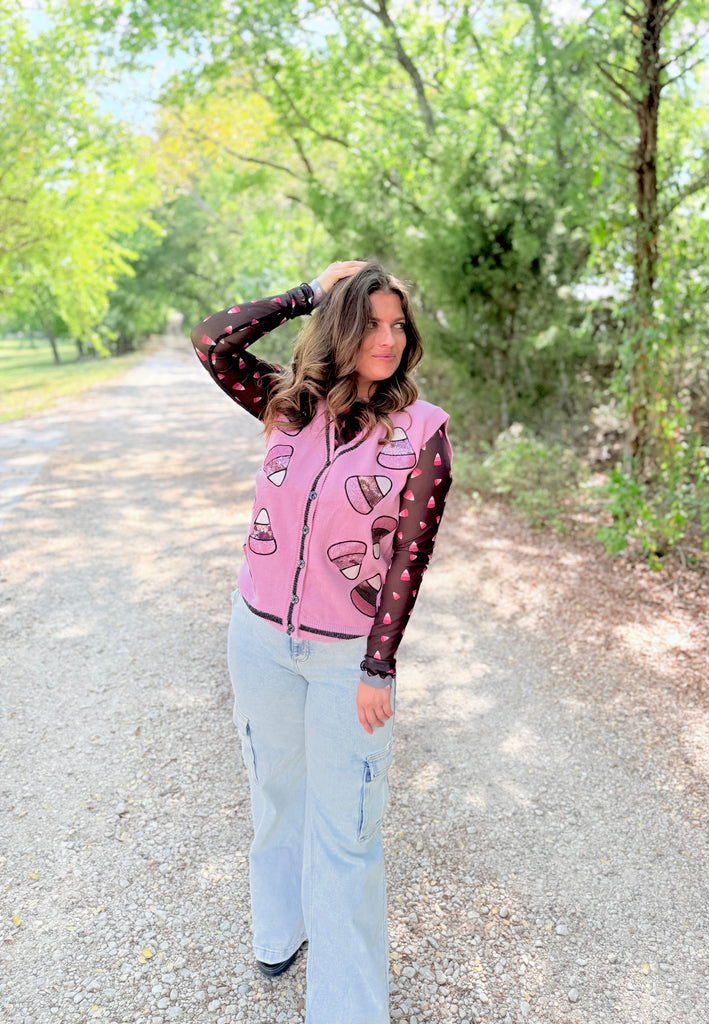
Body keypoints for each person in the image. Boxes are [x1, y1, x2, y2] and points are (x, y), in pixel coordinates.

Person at [190, 260, 452, 1024]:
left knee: (347, 836)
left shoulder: (421, 432)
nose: (388, 336)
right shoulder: (287, 408)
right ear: (338, 327)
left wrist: (379, 665)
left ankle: (347, 1010)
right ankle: (279, 932)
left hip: (347, 662)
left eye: (398, 323)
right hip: (259, 640)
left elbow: (410, 554)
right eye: (370, 321)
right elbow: (212, 341)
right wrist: (307, 290)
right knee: (274, 795)